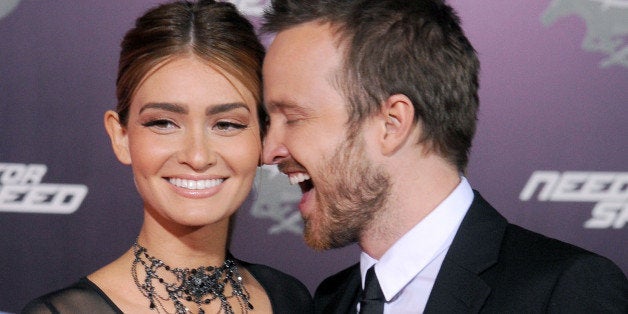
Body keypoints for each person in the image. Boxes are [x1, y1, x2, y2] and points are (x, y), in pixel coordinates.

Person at [260, 0, 628, 313]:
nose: (267, 152)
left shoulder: (563, 292)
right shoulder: (330, 301)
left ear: (392, 123)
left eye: (292, 117)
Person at [22, 1, 313, 313]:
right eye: (163, 123)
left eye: (227, 124)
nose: (198, 156)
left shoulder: (290, 298)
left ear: (263, 136)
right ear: (121, 137)